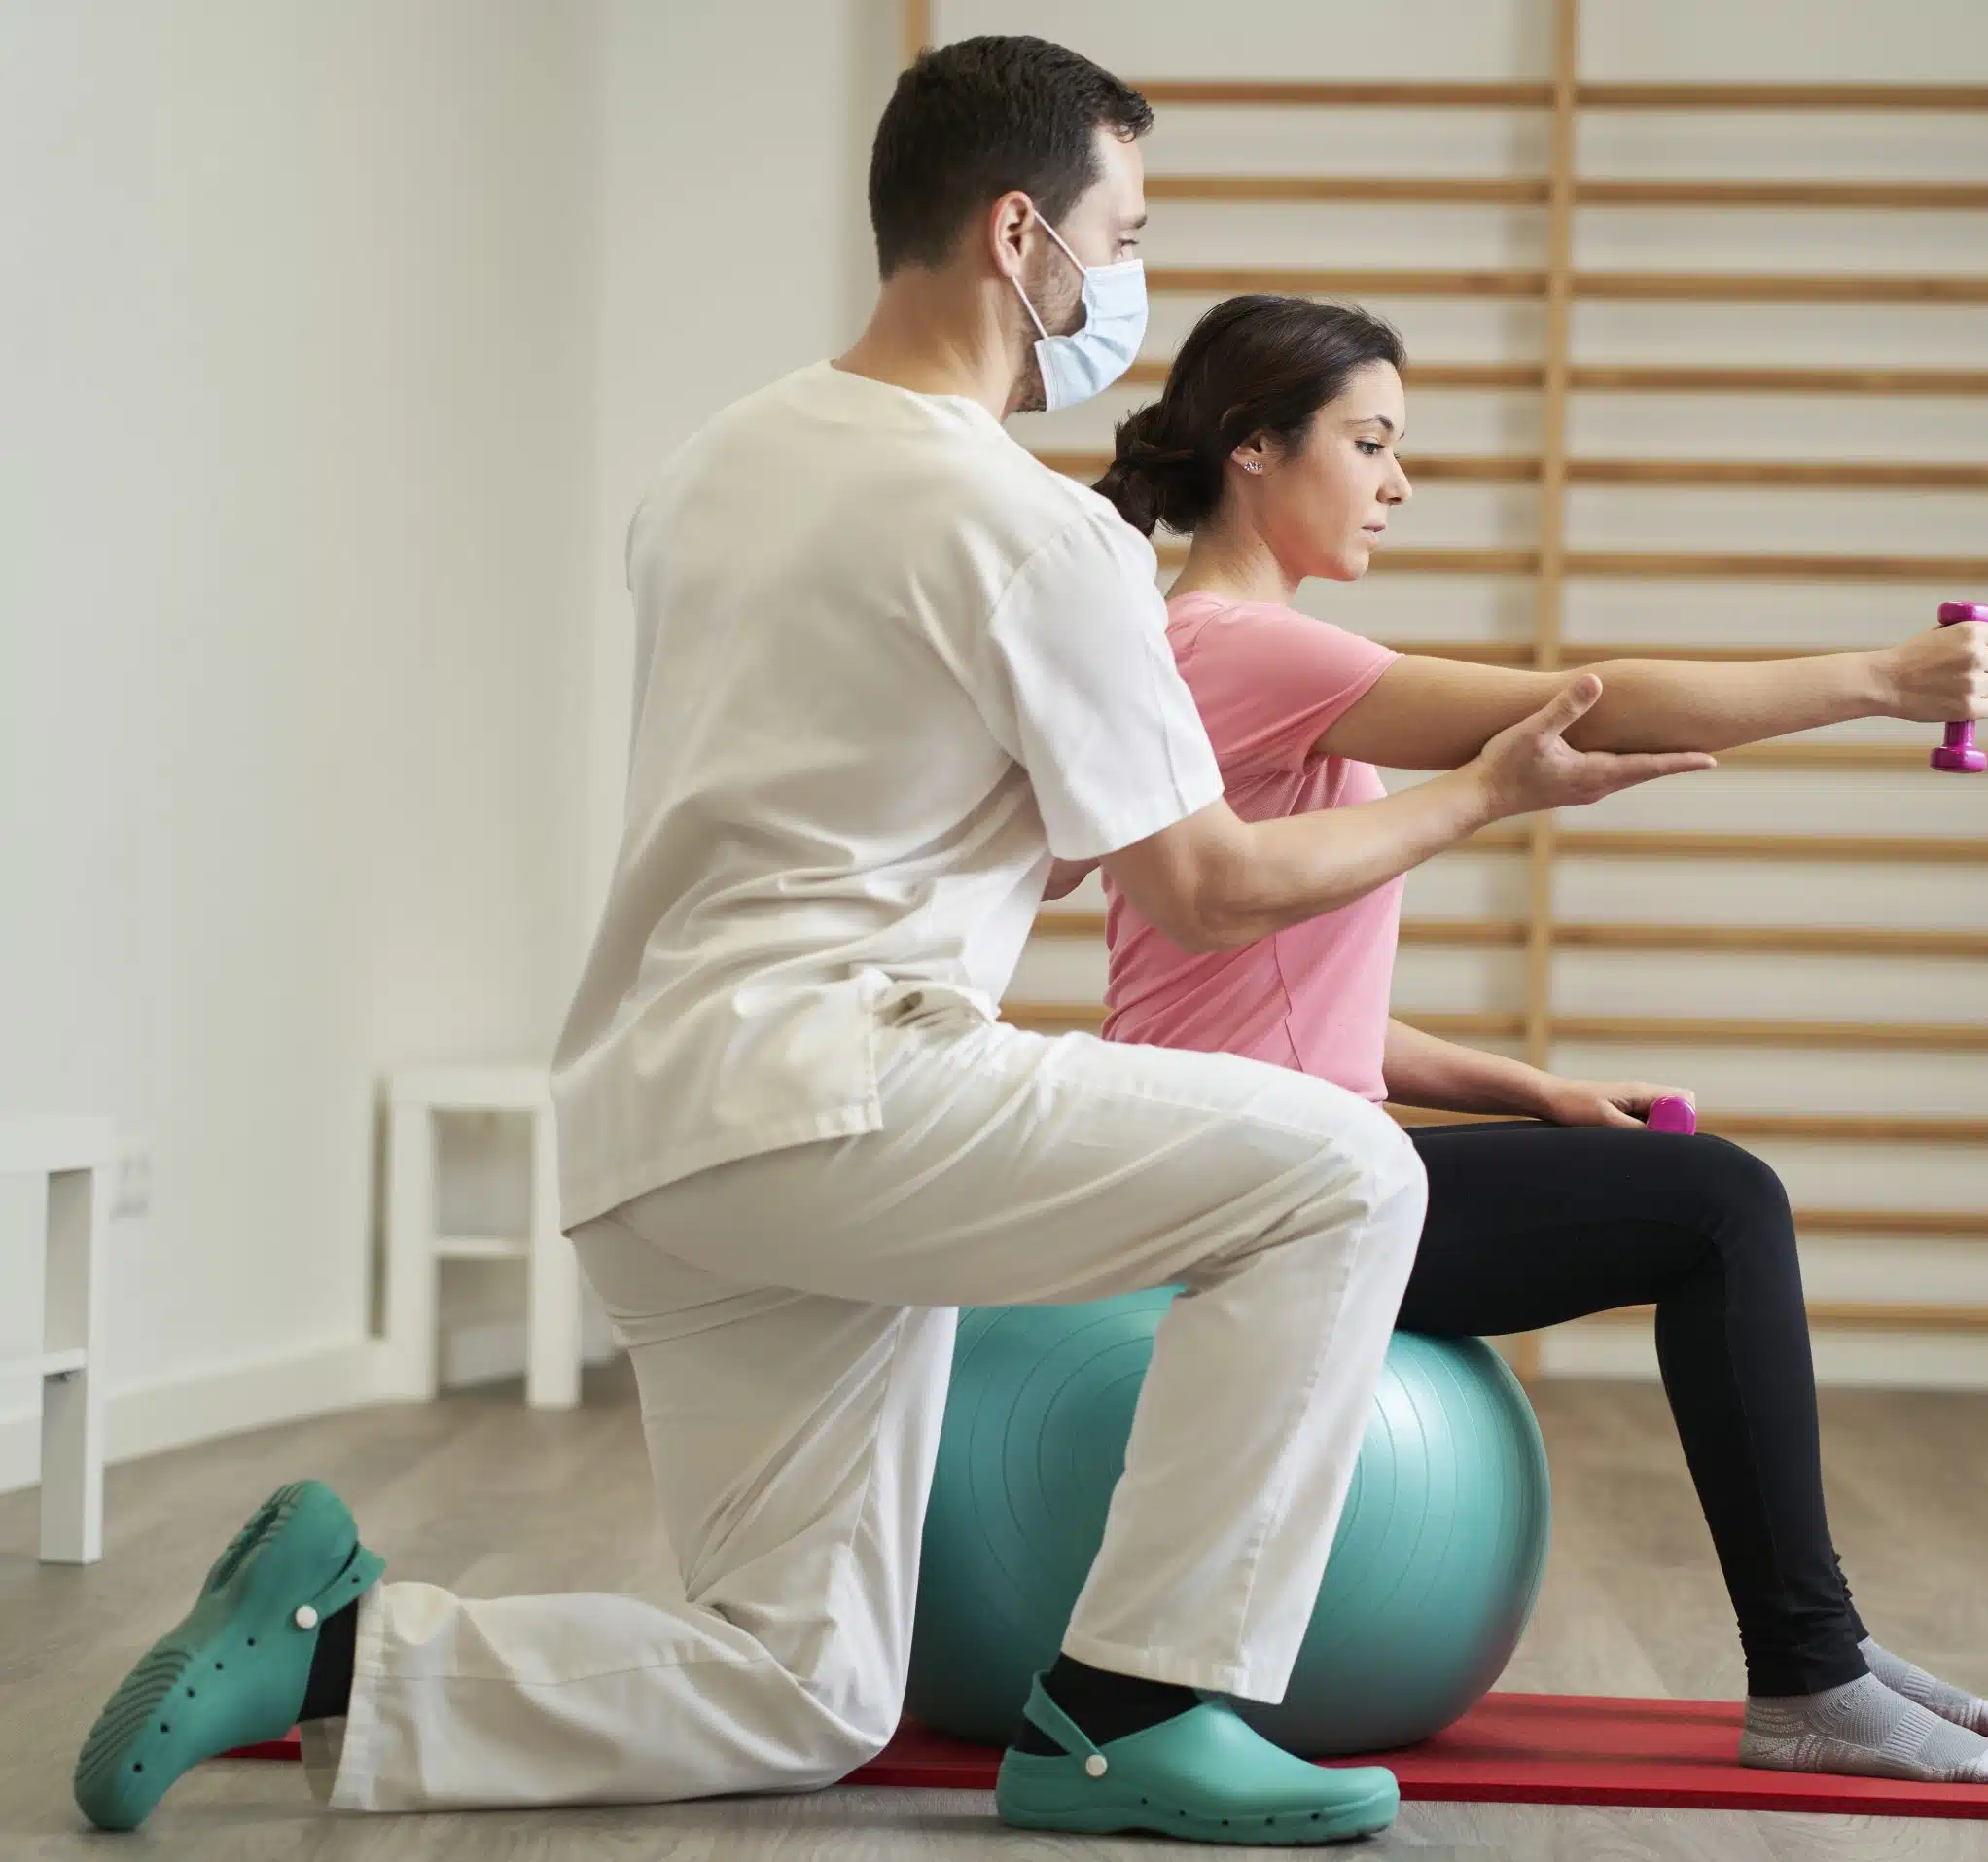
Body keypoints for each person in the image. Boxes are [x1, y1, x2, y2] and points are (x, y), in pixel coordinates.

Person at [69, 42, 1708, 1844]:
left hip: (650, 1127)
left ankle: (336, 1654)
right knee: (1346, 1175)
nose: (1128, 283)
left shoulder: (713, 467)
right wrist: (1485, 793)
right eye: (1123, 236)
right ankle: (1137, 1710)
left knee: (808, 1683)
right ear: (1020, 235)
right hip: (847, 1086)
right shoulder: (1029, 527)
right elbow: (1207, 887)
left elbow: (877, 789)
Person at [1075, 292, 1988, 1787]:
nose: (1399, 482)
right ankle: (1810, 1669)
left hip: (1261, 1156)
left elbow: (1276, 1003)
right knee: (1722, 1208)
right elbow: (1582, 707)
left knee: (1699, 1197)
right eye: (1370, 444)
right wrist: (1879, 681)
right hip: (1263, 1200)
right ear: (1254, 448)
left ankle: (1829, 1650)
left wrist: (1535, 1091)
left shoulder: (1199, 649)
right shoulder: (1244, 645)